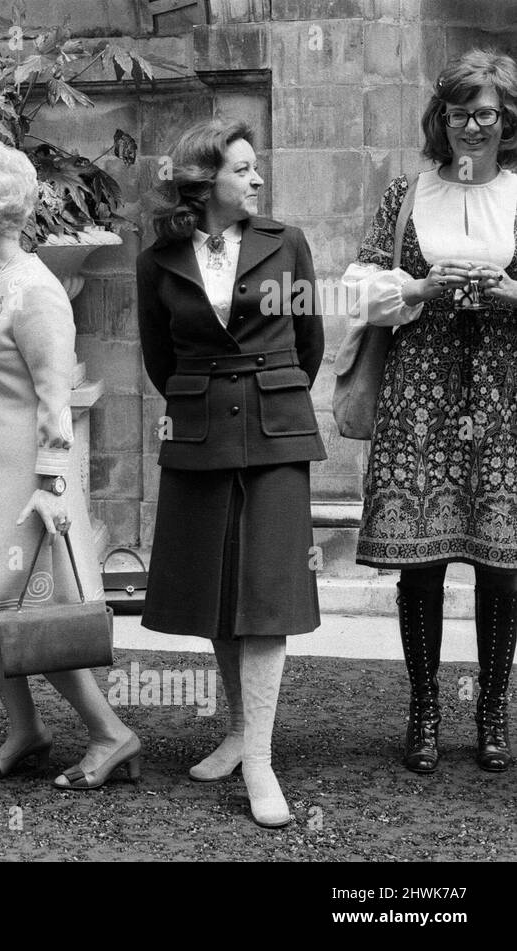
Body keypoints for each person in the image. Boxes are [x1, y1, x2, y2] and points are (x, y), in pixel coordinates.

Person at [0, 138, 142, 790]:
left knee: (28, 614)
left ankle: (111, 732)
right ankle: (26, 728)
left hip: (27, 489)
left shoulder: (35, 292)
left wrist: (52, 485)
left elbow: (56, 401)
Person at [136, 118, 325, 827]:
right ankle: (242, 729)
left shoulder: (287, 243)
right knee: (218, 587)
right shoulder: (158, 260)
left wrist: (264, 396)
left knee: (267, 592)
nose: (256, 179)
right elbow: (161, 359)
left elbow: (309, 345)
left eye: (255, 168)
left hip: (276, 428)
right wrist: (210, 402)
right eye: (242, 169)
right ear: (203, 179)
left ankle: (261, 761)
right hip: (199, 427)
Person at [343, 49, 517, 774]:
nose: (473, 126)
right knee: (423, 562)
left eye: (487, 113)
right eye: (459, 113)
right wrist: (420, 287)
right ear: (438, 120)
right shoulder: (404, 194)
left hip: (504, 391)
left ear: (507, 120)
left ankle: (492, 709)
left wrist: (509, 293)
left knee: (503, 565)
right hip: (421, 389)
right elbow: (356, 287)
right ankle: (423, 707)